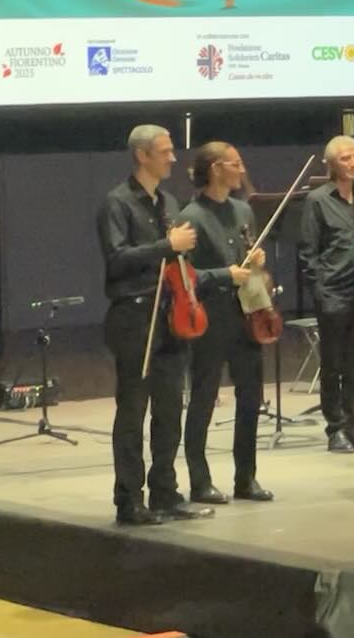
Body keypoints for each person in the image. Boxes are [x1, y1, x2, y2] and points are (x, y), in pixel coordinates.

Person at [95, 124, 210, 526]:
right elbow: (117, 258)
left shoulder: (169, 202)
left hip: (170, 315)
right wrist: (167, 246)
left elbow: (178, 263)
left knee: (169, 409)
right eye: (165, 152)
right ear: (143, 155)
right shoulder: (117, 203)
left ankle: (165, 492)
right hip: (134, 316)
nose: (173, 159)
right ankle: (129, 500)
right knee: (132, 411)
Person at [176, 143, 272, 504]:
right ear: (216, 169)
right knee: (203, 397)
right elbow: (183, 276)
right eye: (236, 164)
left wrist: (255, 260)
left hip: (246, 316)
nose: (242, 170)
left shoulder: (244, 210)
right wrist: (224, 274)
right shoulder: (192, 216)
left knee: (251, 397)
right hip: (210, 319)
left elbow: (246, 263)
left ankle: (246, 478)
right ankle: (200, 481)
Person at [298, 135, 354, 454]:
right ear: (331, 164)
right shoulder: (317, 200)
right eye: (346, 158)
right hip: (331, 289)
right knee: (333, 363)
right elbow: (307, 251)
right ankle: (335, 428)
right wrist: (319, 287)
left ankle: (353, 424)